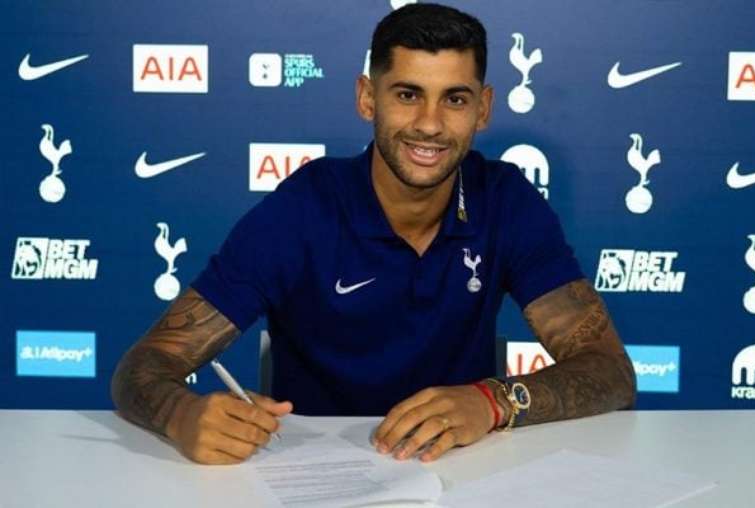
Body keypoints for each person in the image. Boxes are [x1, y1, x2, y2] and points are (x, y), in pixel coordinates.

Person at [112, 3, 635, 465]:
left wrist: (492, 401)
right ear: (367, 98)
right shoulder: (302, 208)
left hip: (462, 470)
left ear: (483, 108)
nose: (429, 124)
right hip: (311, 472)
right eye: (408, 94)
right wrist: (181, 414)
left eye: (455, 99)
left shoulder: (506, 199)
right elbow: (144, 365)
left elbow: (611, 372)